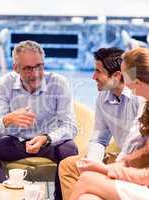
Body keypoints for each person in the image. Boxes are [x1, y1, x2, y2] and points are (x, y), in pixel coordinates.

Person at [0, 40, 78, 200]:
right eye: (28, 68)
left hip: (48, 144)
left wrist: (46, 138)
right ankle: (8, 196)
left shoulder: (58, 83)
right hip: (15, 143)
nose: (36, 73)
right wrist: (8, 119)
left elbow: (70, 126)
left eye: (39, 66)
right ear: (16, 68)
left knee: (69, 149)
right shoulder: (6, 83)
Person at [59, 47, 144, 200]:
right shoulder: (103, 95)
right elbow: (99, 138)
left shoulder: (140, 96)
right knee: (68, 166)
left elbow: (137, 143)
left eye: (98, 71)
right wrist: (92, 163)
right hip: (121, 158)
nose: (93, 77)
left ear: (117, 76)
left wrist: (105, 168)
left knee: (88, 181)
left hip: (137, 162)